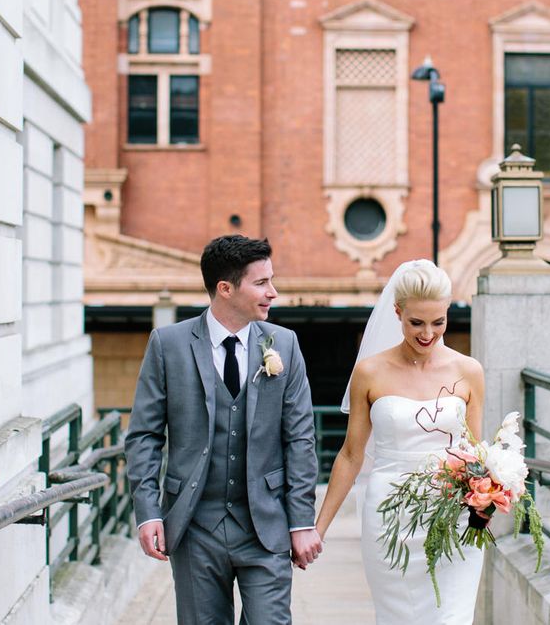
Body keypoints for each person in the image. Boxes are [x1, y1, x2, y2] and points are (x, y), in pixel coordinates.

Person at [125, 235, 322, 625]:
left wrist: (301, 522)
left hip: (266, 527)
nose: (273, 292)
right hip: (195, 527)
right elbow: (144, 435)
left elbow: (300, 438)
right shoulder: (168, 344)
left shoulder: (284, 344)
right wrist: (148, 513)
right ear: (226, 288)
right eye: (262, 283)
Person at [315, 260, 485, 624]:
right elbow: (350, 455)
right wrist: (319, 529)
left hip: (452, 516)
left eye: (438, 322)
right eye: (416, 323)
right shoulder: (369, 372)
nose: (428, 333)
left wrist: (486, 501)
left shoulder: (468, 371)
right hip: (390, 516)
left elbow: (476, 453)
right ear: (397, 312)